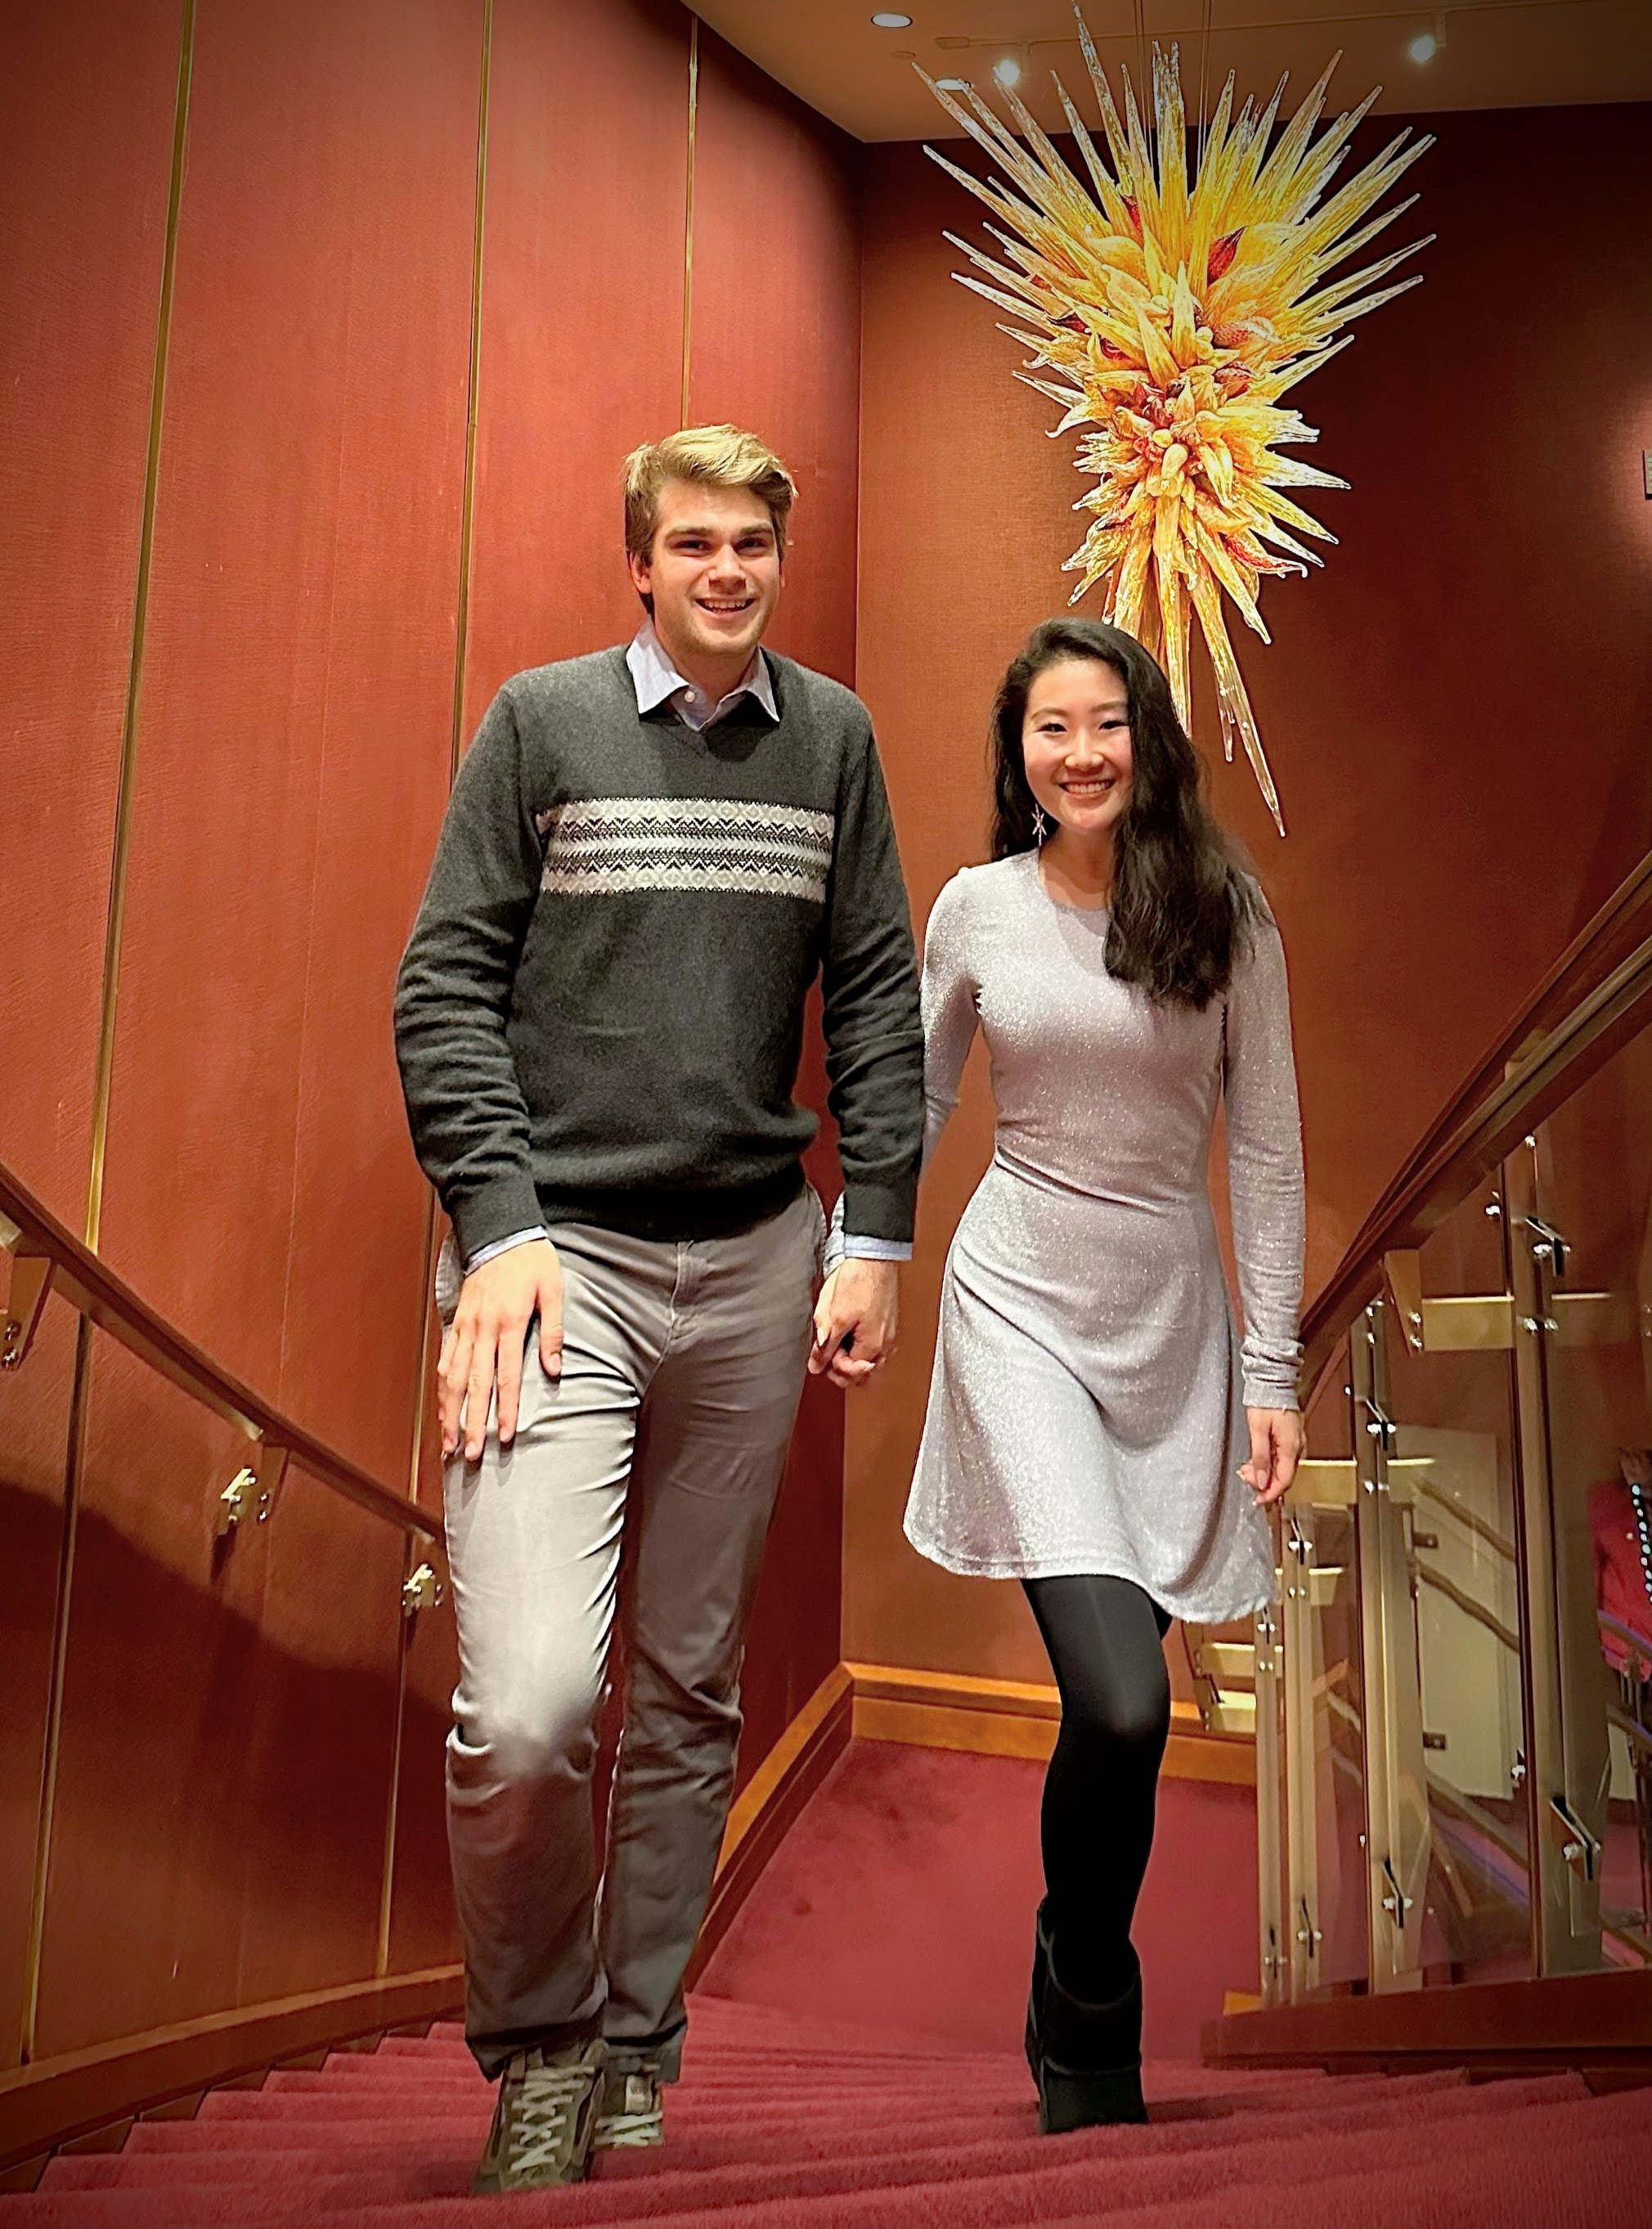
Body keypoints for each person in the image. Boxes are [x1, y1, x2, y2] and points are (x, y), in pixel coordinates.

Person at [393, 425, 923, 2193]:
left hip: (756, 1261)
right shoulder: (539, 724)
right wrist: (499, 1220)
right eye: (690, 542)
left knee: (690, 1685)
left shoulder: (831, 739)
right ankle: (533, 2038)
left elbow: (869, 995)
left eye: (749, 544)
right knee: (533, 1699)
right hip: (555, 1271)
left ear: (775, 557)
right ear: (638, 559)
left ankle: (632, 2041)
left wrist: (876, 1235)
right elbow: (442, 988)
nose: (723, 569)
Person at [832, 613, 1305, 2131]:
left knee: (1128, 1704)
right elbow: (902, 1092)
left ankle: (1071, 1963)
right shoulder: (976, 906)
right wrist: (873, 1255)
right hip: (1019, 1303)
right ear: (1018, 753)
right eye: (1052, 728)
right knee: (1119, 1700)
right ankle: (1091, 1990)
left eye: (1106, 723)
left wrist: (1275, 1362)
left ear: (1146, 739)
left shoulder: (1226, 914)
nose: (1082, 751)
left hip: (1169, 1325)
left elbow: (1271, 1147)